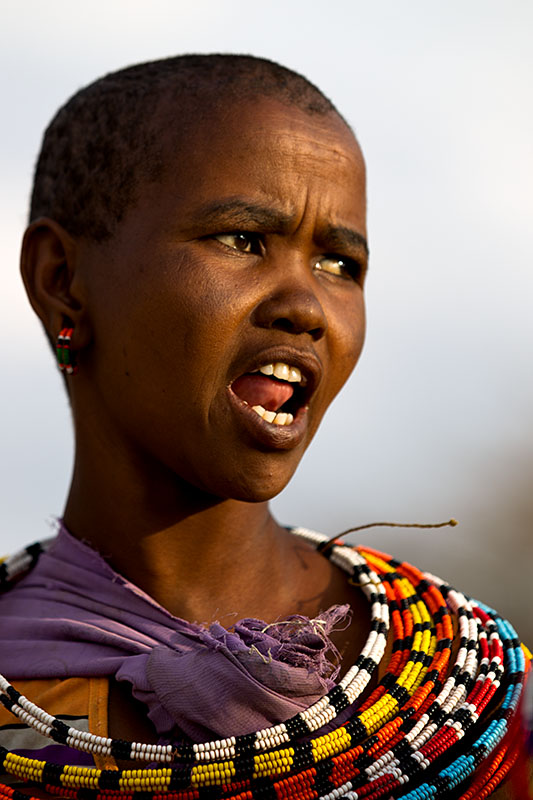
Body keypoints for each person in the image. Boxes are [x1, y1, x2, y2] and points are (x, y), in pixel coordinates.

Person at [0, 55, 529, 800]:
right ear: (62, 279)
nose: (306, 307)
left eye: (340, 263)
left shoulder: (472, 699)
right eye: (243, 239)